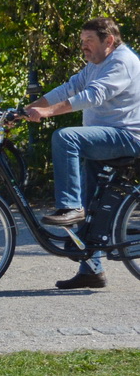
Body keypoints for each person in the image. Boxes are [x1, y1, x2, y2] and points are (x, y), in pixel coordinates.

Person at [24, 17, 140, 290]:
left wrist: (48, 112)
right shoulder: (96, 64)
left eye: (89, 41)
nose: (83, 46)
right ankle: (91, 270)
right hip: (104, 140)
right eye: (81, 41)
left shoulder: (122, 62)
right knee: (91, 206)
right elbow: (69, 88)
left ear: (108, 41)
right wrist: (28, 109)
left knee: (66, 137)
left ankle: (69, 207)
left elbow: (92, 96)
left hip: (128, 138)